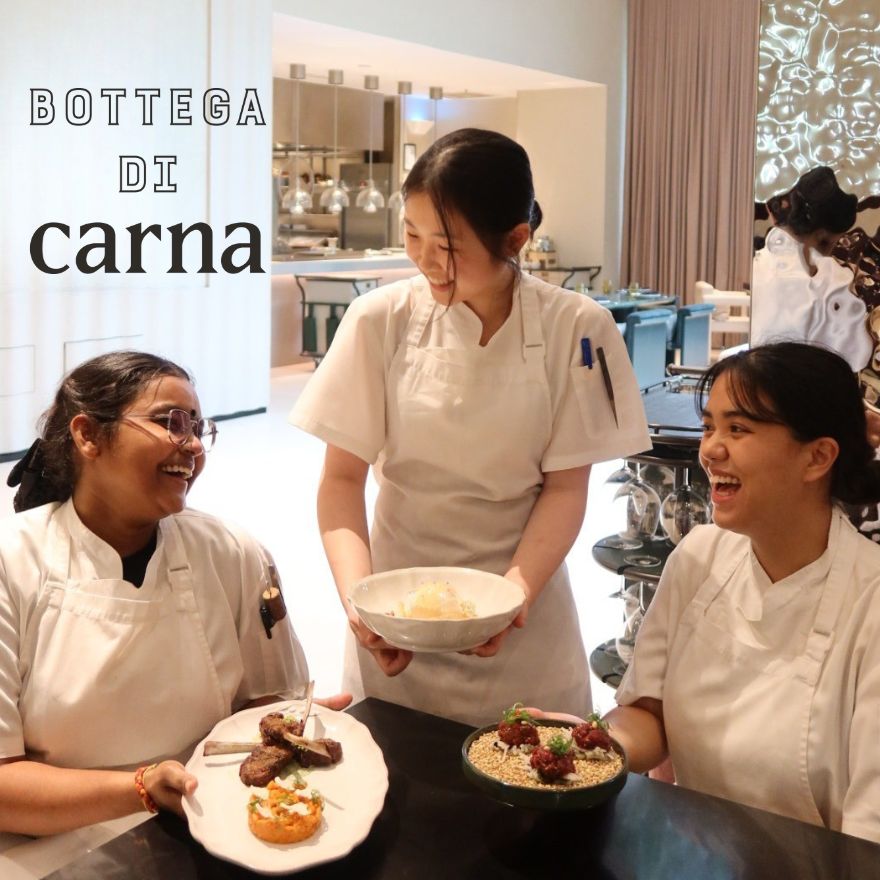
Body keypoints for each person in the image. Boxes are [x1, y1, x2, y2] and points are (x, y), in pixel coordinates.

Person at [290, 128, 650, 726]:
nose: (425, 260)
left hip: (522, 622)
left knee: (532, 789)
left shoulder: (576, 328)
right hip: (396, 616)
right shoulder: (379, 319)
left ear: (515, 238)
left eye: (448, 246)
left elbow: (566, 488)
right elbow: (341, 481)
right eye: (411, 235)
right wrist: (361, 606)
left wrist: (511, 598)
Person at [0, 351, 347, 837]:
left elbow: (269, 699)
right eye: (171, 422)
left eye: (197, 428)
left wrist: (289, 729)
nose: (192, 446)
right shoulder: (11, 563)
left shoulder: (232, 552)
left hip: (216, 823)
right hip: (54, 852)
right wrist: (140, 789)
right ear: (87, 435)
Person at [579, 343, 880, 843]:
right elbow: (649, 714)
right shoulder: (701, 555)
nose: (711, 449)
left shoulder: (869, 602)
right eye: (709, 426)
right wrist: (590, 747)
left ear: (818, 456)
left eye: (738, 429)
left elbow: (870, 837)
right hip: (698, 857)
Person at [750, 166, 872, 372]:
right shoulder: (830, 280)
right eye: (834, 241)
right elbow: (856, 355)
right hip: (808, 386)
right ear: (823, 236)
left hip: (757, 378)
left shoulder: (758, 265)